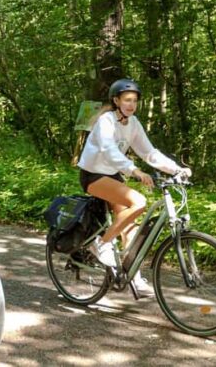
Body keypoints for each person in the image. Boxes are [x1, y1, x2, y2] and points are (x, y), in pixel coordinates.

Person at [77, 78, 191, 293]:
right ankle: (100, 243)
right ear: (116, 100)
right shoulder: (106, 121)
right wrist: (134, 171)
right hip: (93, 176)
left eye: (135, 101)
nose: (131, 105)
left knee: (130, 226)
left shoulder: (133, 124)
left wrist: (176, 169)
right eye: (127, 100)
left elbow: (149, 153)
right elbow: (109, 150)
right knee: (138, 201)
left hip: (113, 176)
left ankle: (133, 276)